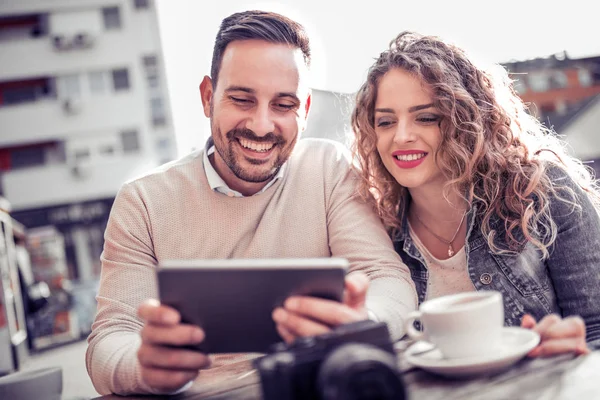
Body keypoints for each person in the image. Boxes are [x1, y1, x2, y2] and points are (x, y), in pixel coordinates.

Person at [86, 11, 417, 396]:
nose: (261, 126)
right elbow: (110, 338)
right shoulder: (143, 201)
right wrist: (141, 364)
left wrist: (362, 321)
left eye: (283, 105)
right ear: (208, 98)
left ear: (305, 110)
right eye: (242, 99)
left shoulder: (327, 168)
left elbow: (388, 278)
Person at [351, 31, 600, 357]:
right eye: (385, 122)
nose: (401, 136)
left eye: (426, 117)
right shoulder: (379, 230)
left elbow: (595, 327)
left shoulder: (543, 192)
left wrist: (571, 348)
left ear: (468, 119)